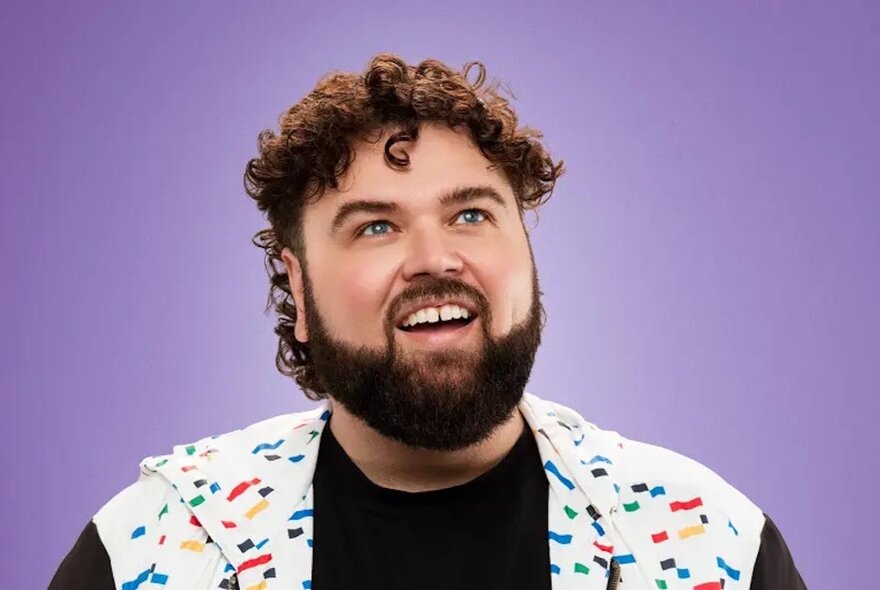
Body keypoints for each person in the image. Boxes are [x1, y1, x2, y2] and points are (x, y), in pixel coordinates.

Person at [50, 53, 806, 590]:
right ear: (299, 290)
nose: (434, 258)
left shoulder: (710, 543)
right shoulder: (154, 546)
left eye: (472, 214)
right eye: (374, 227)